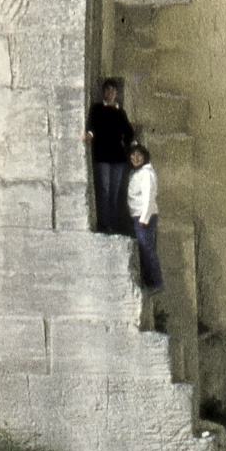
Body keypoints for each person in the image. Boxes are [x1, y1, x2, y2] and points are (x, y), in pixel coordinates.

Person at [84, 77, 135, 234]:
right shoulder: (97, 108)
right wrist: (90, 135)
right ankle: (104, 223)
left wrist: (126, 144)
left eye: (113, 90)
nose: (110, 93)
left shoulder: (120, 112)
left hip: (118, 158)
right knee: (104, 190)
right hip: (102, 155)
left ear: (116, 93)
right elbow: (92, 125)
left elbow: (129, 132)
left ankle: (112, 224)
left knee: (114, 192)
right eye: (107, 90)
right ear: (103, 92)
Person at [127, 143, 163, 292]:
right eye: (133, 155)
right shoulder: (137, 173)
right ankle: (149, 281)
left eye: (139, 155)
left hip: (144, 216)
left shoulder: (146, 174)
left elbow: (149, 196)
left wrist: (144, 217)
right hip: (137, 215)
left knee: (147, 249)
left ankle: (155, 283)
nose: (136, 158)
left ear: (145, 157)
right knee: (144, 249)